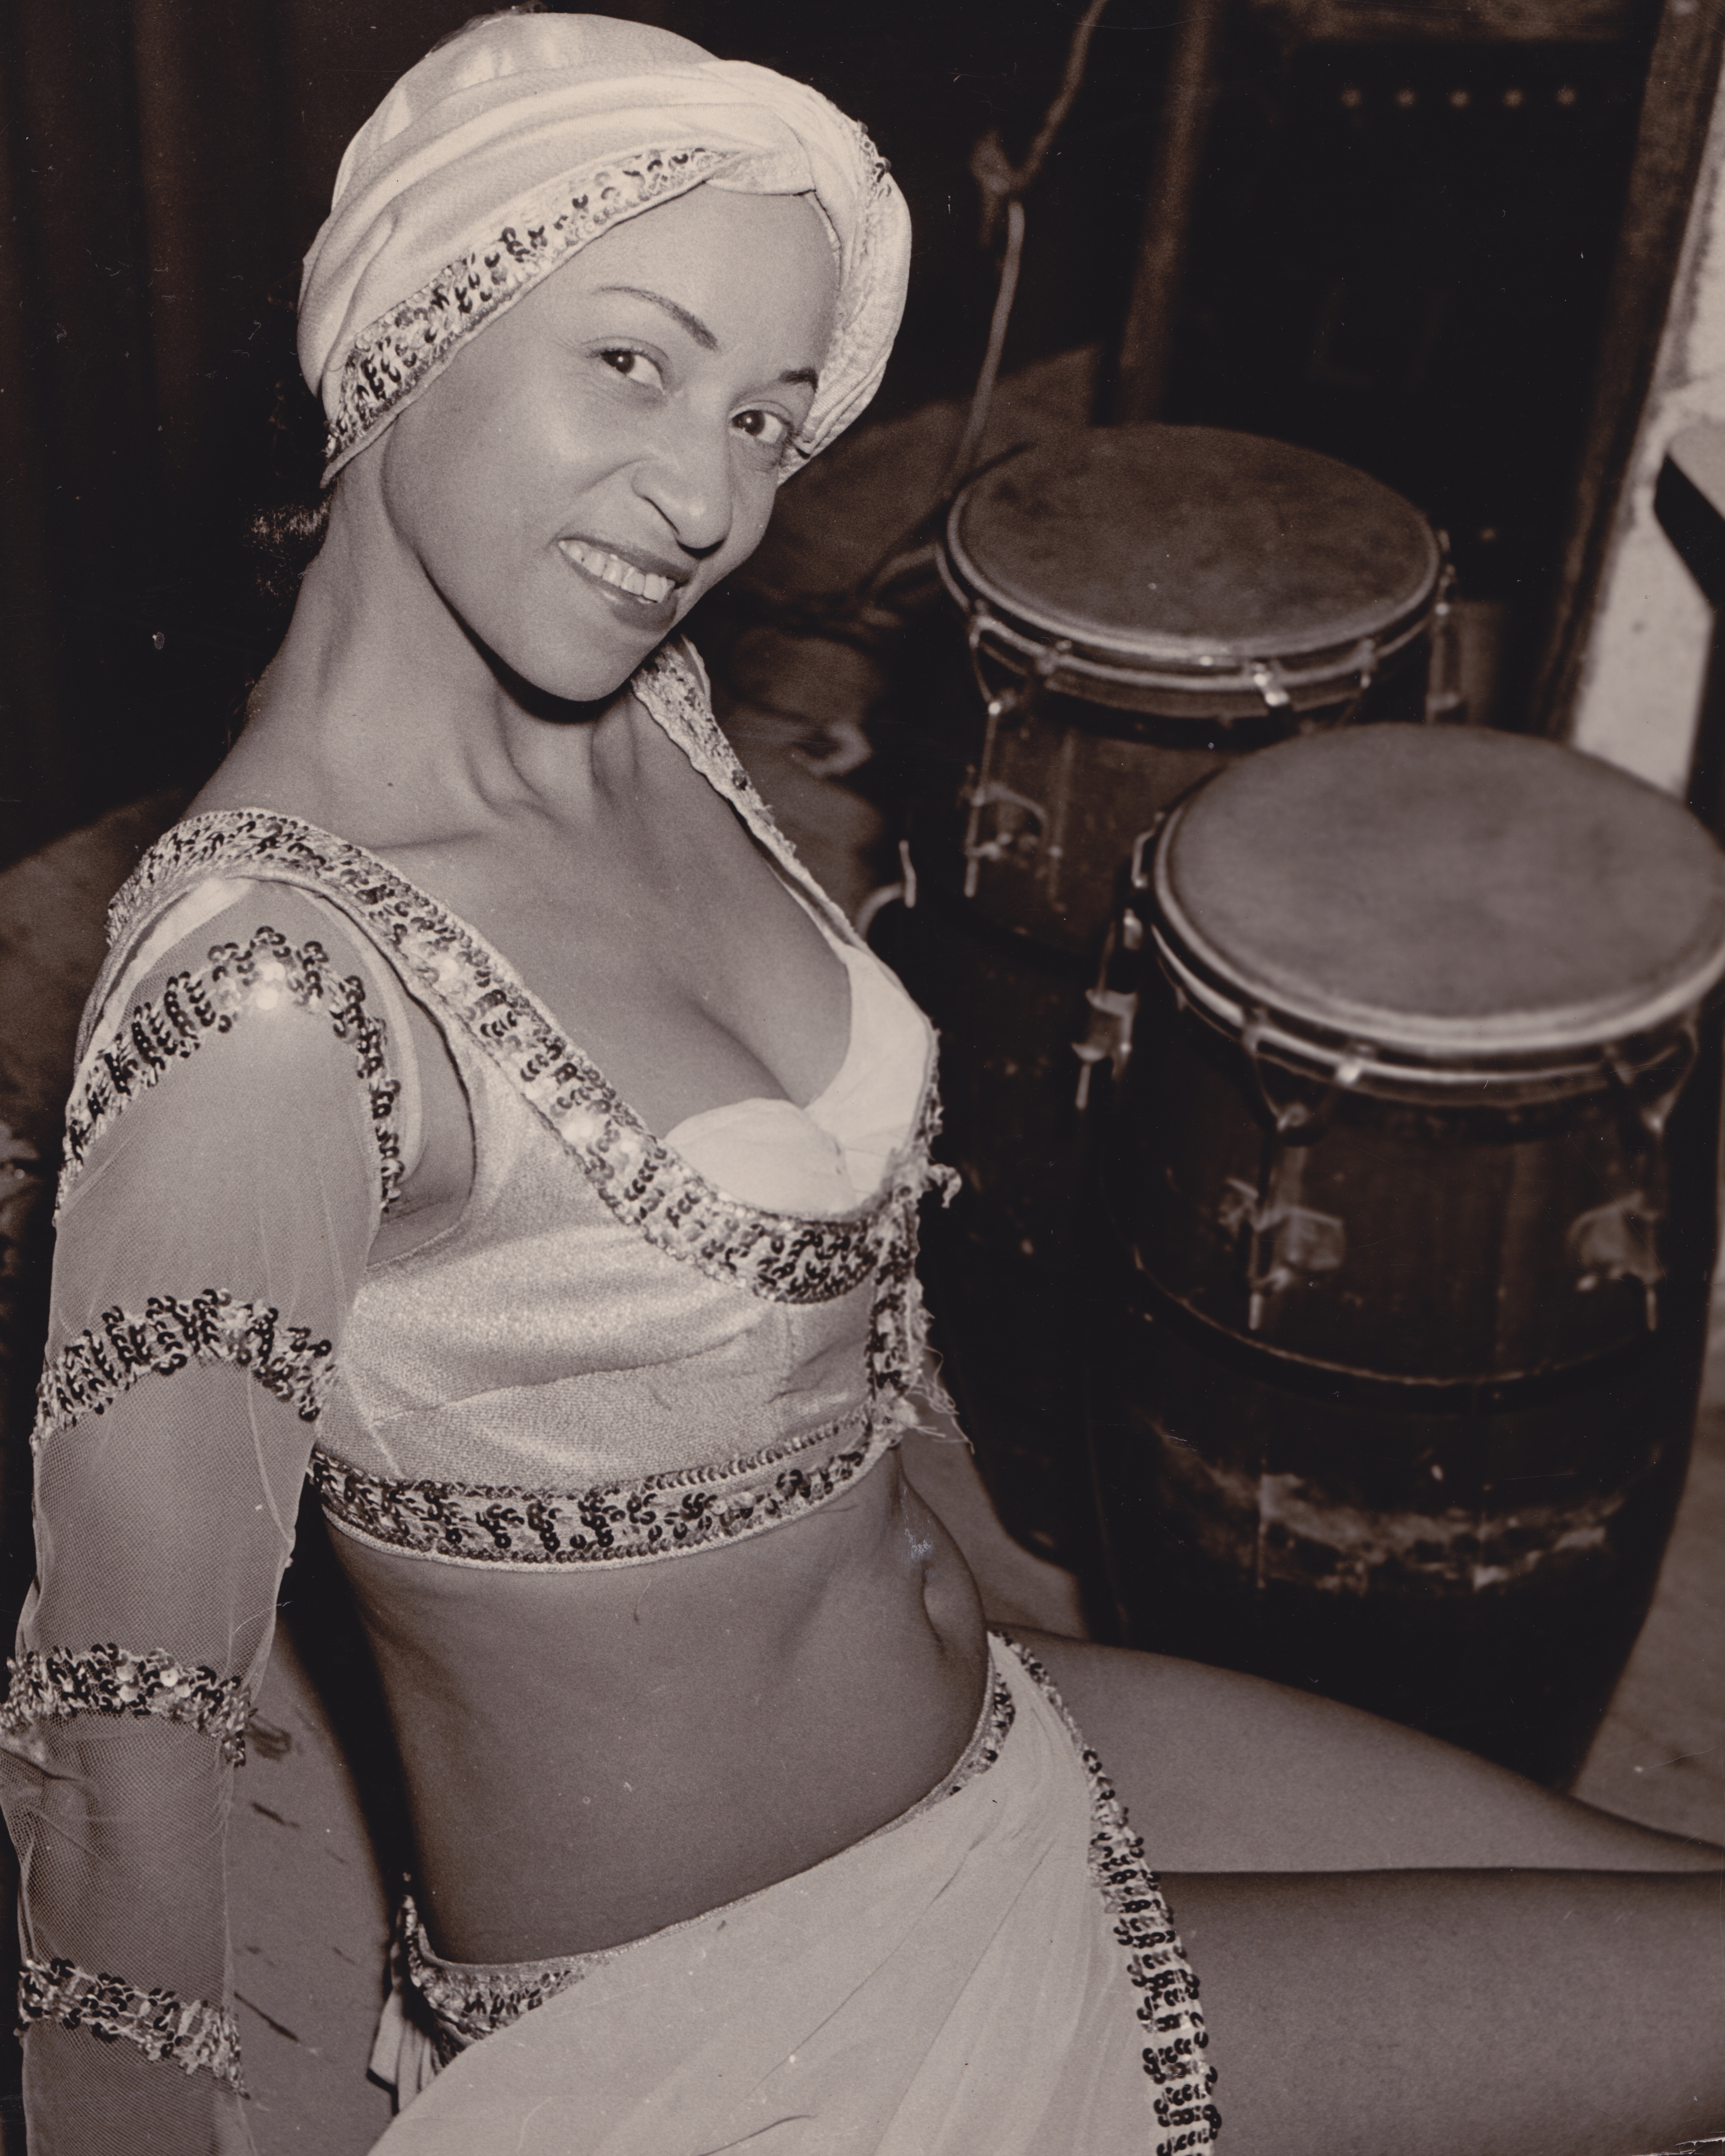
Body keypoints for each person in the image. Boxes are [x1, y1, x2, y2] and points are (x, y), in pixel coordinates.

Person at [2, 11, 1721, 2154]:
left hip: (984, 1747)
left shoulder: (640, 712)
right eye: (630, 363)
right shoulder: (275, 997)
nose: (709, 500)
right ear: (410, 321)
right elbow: (120, 1750)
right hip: (760, 2021)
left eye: (764, 414)